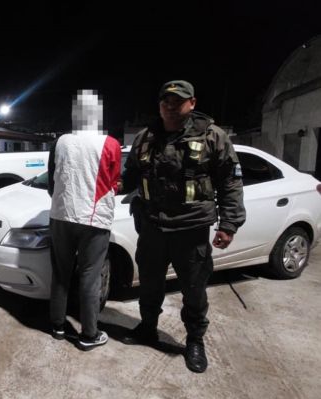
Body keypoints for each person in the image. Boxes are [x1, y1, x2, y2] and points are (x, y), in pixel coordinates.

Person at [121, 80, 246, 373]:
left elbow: (231, 181)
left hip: (191, 229)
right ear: (159, 104)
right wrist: (107, 184)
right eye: (166, 101)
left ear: (192, 103)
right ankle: (148, 327)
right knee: (150, 283)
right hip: (152, 225)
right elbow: (131, 175)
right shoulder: (146, 136)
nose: (171, 106)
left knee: (193, 289)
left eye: (178, 101)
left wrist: (229, 223)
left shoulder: (212, 137)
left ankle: (194, 341)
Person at [46, 90, 121, 350]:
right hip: (94, 219)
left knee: (61, 274)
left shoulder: (60, 142)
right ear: (97, 115)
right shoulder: (110, 143)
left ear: (75, 115)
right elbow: (113, 181)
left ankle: (57, 326)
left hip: (61, 215)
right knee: (90, 276)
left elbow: (51, 181)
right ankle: (89, 335)